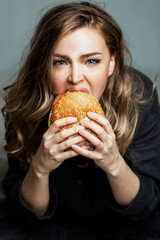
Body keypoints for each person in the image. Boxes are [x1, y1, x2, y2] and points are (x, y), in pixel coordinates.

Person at [1, 2, 160, 239]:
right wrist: (40, 167)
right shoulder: (26, 102)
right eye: (60, 62)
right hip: (52, 225)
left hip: (122, 225)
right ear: (45, 65)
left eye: (91, 61)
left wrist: (113, 161)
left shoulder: (138, 98)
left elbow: (145, 206)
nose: (75, 78)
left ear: (111, 63)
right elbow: (29, 213)